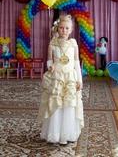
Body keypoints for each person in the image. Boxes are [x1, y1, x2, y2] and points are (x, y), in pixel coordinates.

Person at [37, 14, 84, 144]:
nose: (64, 30)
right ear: (58, 28)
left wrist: (79, 80)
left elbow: (75, 62)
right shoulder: (53, 44)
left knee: (68, 104)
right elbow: (49, 60)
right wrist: (50, 66)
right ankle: (54, 133)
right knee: (56, 103)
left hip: (70, 77)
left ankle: (66, 134)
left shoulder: (73, 44)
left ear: (71, 30)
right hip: (57, 77)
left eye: (67, 28)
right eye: (62, 28)